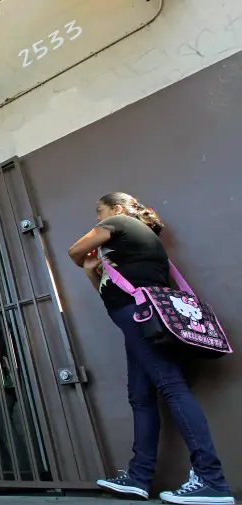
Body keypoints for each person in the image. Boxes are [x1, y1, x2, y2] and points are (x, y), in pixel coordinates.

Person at [68, 192, 234, 505]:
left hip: (140, 318)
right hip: (138, 320)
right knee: (141, 396)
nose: (97, 221)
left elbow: (74, 251)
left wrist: (84, 259)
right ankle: (138, 477)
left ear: (116, 209)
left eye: (98, 213)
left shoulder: (119, 223)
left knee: (171, 387)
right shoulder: (133, 243)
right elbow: (108, 289)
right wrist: (92, 271)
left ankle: (211, 480)